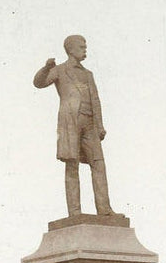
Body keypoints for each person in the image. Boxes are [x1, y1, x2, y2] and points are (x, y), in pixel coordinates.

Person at [34, 35, 113, 216]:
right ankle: (75, 212)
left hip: (90, 123)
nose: (85, 50)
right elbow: (39, 83)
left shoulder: (88, 74)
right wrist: (46, 68)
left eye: (85, 47)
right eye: (82, 47)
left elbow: (95, 100)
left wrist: (100, 125)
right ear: (71, 49)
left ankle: (105, 209)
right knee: (72, 164)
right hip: (70, 122)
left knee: (98, 164)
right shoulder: (60, 70)